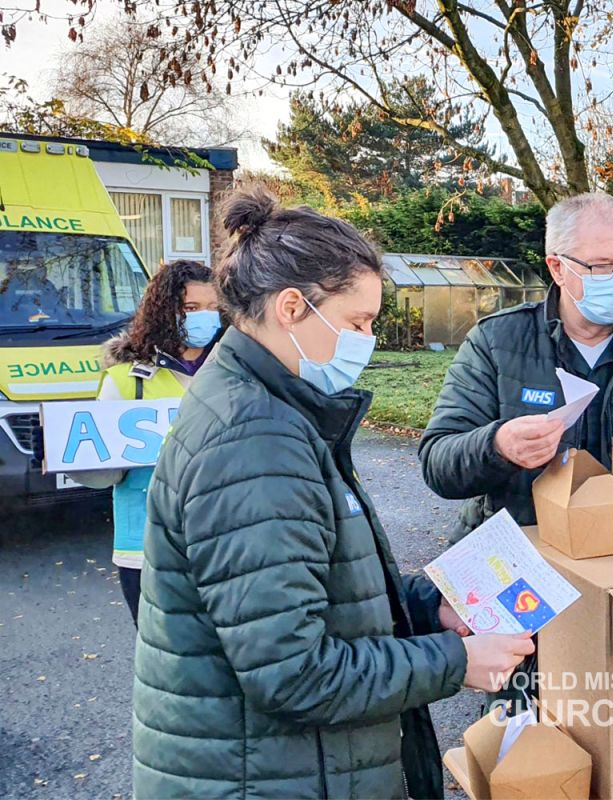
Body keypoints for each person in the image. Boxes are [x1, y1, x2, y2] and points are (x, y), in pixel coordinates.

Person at [133, 186, 535, 800]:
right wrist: (454, 662)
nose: (366, 341)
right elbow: (292, 673)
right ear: (292, 307)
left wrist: (427, 609)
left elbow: (313, 590)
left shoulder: (268, 406)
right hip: (268, 777)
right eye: (357, 323)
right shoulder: (255, 441)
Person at [419, 192, 613, 537]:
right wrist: (497, 446)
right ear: (558, 269)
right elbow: (438, 464)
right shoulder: (497, 341)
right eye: (601, 266)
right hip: (526, 557)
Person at [73, 260, 222, 626]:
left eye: (213, 308)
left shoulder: (234, 374)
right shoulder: (125, 381)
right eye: (191, 309)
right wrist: (75, 458)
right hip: (144, 550)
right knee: (164, 666)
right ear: (165, 311)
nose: (205, 318)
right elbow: (100, 472)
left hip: (221, 547)